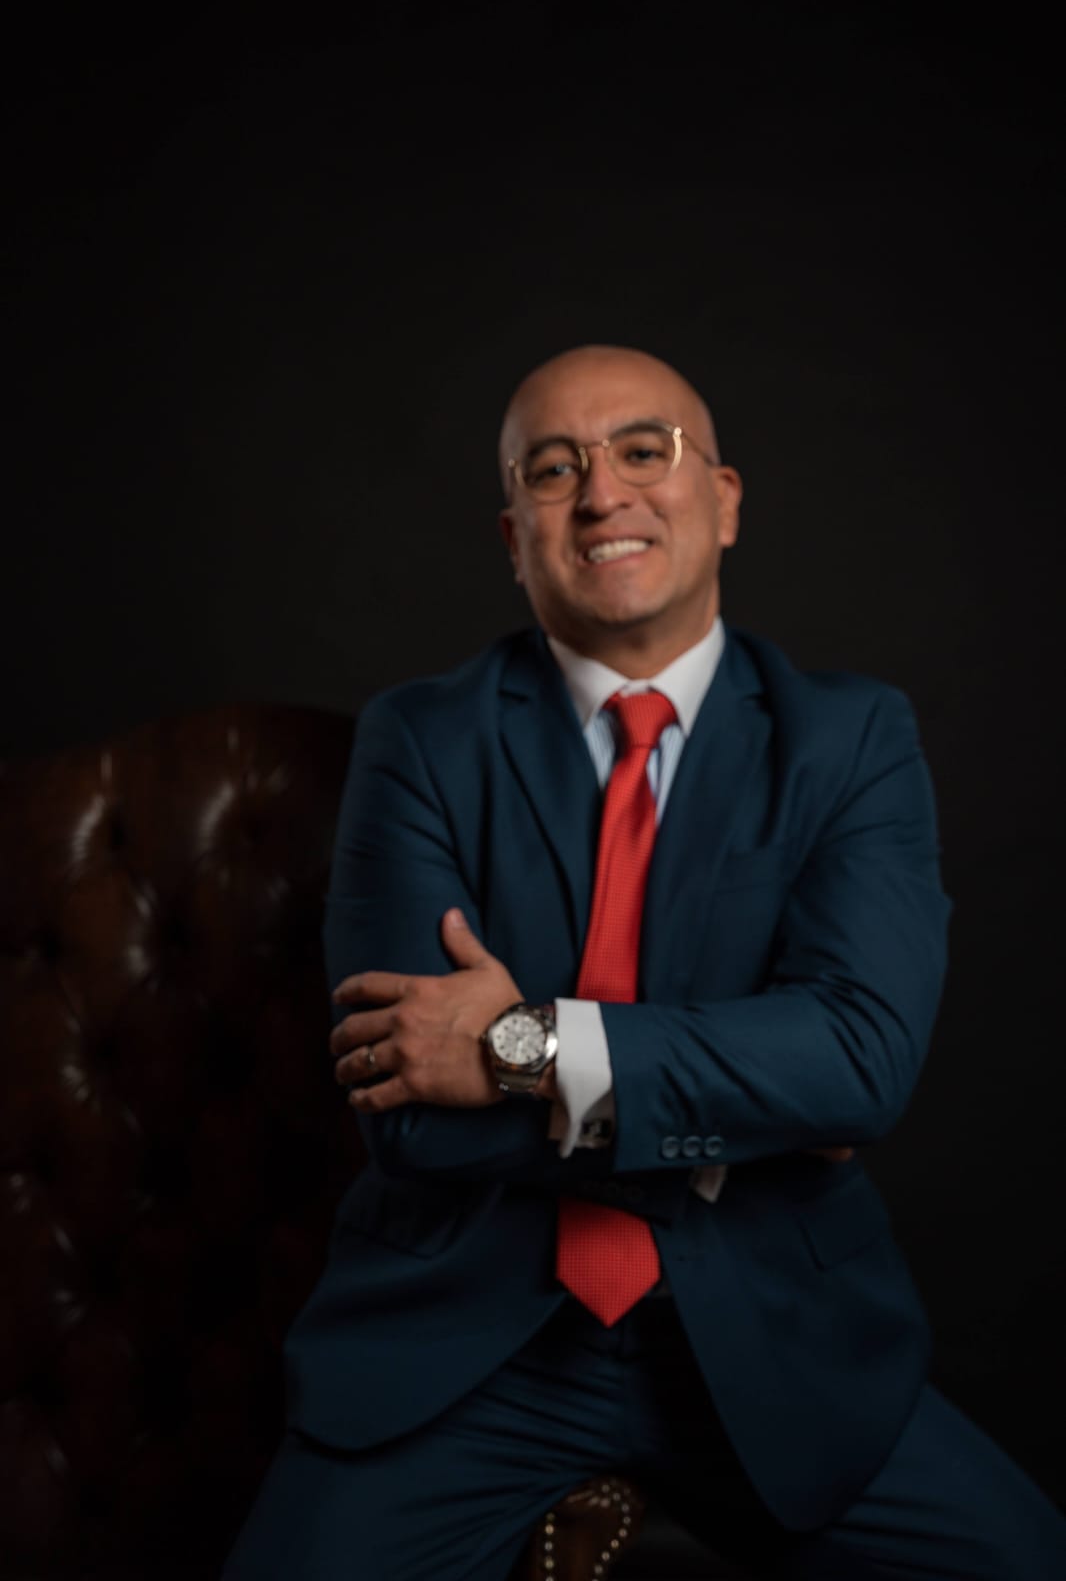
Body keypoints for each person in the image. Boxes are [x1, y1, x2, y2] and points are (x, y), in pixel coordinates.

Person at [223, 344, 1066, 1578]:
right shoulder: (425, 739)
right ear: (513, 538)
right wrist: (754, 1118)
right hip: (464, 1346)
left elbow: (859, 1065)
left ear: (722, 499)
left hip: (776, 1333)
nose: (602, 493)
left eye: (641, 450)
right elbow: (407, 1106)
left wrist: (520, 1046)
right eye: (552, 469)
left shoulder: (849, 737)